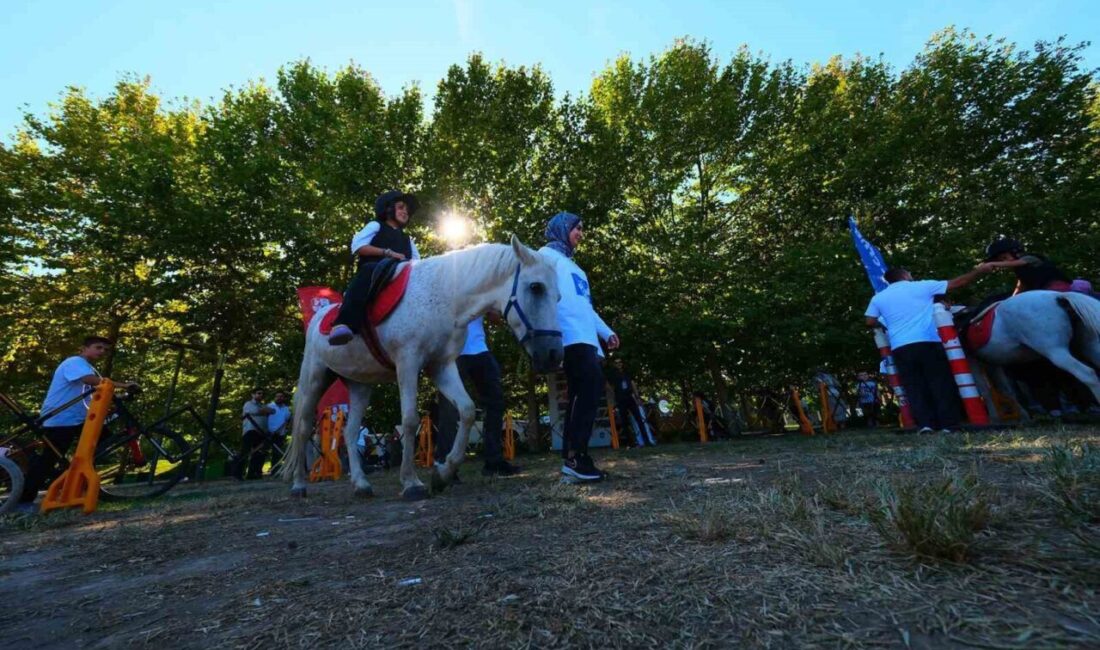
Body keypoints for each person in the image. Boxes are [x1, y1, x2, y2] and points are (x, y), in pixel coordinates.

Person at [865, 264, 993, 433]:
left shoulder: (879, 298)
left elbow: (869, 321)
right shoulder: (921, 286)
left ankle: (925, 425)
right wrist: (979, 270)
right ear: (905, 275)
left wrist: (887, 322)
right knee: (939, 383)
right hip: (928, 341)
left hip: (900, 347)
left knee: (914, 387)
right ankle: (948, 424)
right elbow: (957, 282)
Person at [539, 211, 619, 482]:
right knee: (585, 392)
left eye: (582, 229)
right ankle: (575, 458)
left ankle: (576, 458)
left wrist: (606, 333)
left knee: (583, 394)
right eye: (577, 228)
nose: (580, 234)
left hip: (588, 340)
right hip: (568, 338)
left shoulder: (577, 269)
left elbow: (587, 308)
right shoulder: (544, 257)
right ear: (561, 229)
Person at [18, 336, 137, 509]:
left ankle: (80, 486)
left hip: (80, 419)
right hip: (61, 419)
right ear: (84, 348)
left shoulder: (88, 367)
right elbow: (92, 381)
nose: (102, 352)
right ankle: (24, 500)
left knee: (102, 444)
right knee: (48, 459)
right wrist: (124, 385)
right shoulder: (74, 362)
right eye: (98, 347)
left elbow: (94, 393)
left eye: (105, 349)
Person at [329, 190, 422, 345]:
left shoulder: (407, 239)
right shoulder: (376, 225)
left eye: (407, 209)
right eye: (401, 207)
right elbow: (358, 246)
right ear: (388, 209)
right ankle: (342, 323)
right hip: (373, 277)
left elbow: (418, 262)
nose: (405, 211)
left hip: (400, 277)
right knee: (370, 268)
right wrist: (388, 253)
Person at [434, 316, 521, 477]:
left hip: (480, 349)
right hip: (452, 351)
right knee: (450, 408)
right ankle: (445, 463)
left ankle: (493, 462)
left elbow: (496, 315)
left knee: (496, 402)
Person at [983, 237, 1071, 294]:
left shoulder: (1029, 258)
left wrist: (992, 264)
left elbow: (1015, 263)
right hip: (1041, 290)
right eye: (1001, 260)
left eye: (1004, 257)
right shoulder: (1021, 273)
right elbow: (1019, 288)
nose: (1003, 262)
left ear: (1015, 252)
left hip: (1056, 286)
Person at [604, 358, 657, 447]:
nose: (619, 364)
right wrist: (613, 394)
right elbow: (606, 383)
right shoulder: (612, 374)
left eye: (620, 362)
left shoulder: (627, 372)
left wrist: (637, 397)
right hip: (620, 399)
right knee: (624, 421)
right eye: (616, 363)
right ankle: (630, 443)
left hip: (630, 397)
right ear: (614, 364)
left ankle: (646, 440)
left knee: (639, 419)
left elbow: (632, 384)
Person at [239, 388, 274, 480]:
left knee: (259, 453)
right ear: (253, 394)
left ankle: (254, 473)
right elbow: (256, 411)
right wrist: (265, 411)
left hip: (261, 432)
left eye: (262, 393)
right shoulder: (248, 404)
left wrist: (265, 410)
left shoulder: (263, 405)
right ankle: (237, 474)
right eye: (258, 393)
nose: (261, 395)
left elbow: (272, 411)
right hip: (250, 431)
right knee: (245, 452)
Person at [266, 390, 291, 475]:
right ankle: (255, 472)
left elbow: (288, 421)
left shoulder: (286, 408)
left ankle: (275, 470)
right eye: (277, 396)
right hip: (269, 432)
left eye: (281, 396)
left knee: (277, 452)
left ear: (284, 398)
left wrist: (286, 430)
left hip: (281, 433)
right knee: (263, 452)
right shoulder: (269, 406)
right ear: (275, 397)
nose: (279, 398)